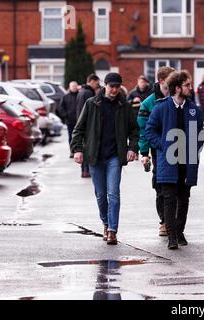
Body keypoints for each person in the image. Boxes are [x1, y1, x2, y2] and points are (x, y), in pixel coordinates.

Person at [71, 72, 139, 246]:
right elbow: (79, 129)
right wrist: (78, 150)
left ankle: (112, 230)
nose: (115, 90)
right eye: (111, 86)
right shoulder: (92, 104)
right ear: (104, 86)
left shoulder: (124, 106)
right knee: (101, 195)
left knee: (113, 194)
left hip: (114, 157)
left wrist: (132, 148)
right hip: (95, 157)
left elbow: (134, 130)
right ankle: (106, 223)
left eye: (117, 87)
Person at [145, 70, 204, 250]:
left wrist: (195, 147)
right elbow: (149, 131)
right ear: (177, 88)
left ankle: (180, 231)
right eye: (187, 85)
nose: (190, 88)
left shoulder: (194, 109)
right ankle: (172, 236)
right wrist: (162, 144)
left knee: (184, 198)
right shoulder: (161, 107)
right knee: (169, 199)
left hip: (187, 162)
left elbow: (200, 132)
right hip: (168, 161)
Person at [137, 66, 175, 237]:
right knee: (160, 186)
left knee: (179, 186)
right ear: (161, 81)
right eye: (171, 80)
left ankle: (176, 220)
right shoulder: (148, 103)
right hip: (158, 150)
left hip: (178, 148)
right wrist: (144, 153)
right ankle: (164, 221)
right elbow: (143, 129)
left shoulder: (178, 98)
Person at [76, 74, 100, 178]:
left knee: (84, 146)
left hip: (81, 121)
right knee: (88, 147)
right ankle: (86, 170)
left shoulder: (81, 92)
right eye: (97, 83)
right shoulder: (89, 92)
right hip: (88, 123)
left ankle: (84, 170)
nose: (97, 85)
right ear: (92, 81)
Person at [58, 81, 79, 158]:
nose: (74, 87)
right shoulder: (65, 97)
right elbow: (61, 108)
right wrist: (66, 115)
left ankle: (78, 151)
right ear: (70, 87)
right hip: (69, 121)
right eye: (72, 86)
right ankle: (72, 151)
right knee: (71, 137)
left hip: (79, 120)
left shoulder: (80, 95)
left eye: (75, 86)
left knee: (79, 137)